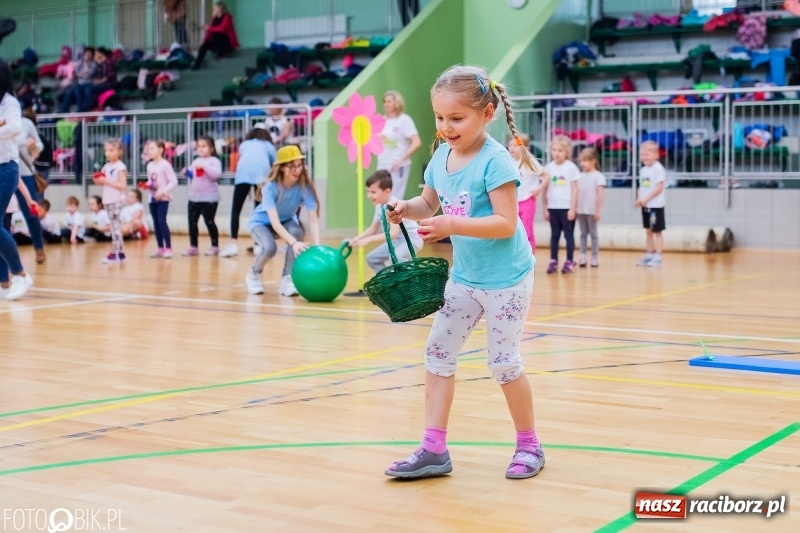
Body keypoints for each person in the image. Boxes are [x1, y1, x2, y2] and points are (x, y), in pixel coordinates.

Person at [384, 66, 544, 480]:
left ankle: (529, 444)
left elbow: (507, 223)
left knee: (504, 362)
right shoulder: (441, 156)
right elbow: (429, 203)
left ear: (487, 113)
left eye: (457, 119)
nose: (446, 127)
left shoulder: (495, 161)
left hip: (507, 280)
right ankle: (434, 448)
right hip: (466, 279)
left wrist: (453, 227)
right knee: (438, 354)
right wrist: (406, 207)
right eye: (440, 118)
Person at [245, 145, 320, 297]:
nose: (298, 170)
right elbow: (274, 223)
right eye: (292, 166)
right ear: (281, 168)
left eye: (299, 165)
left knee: (296, 231)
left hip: (286, 220)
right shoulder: (270, 188)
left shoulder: (304, 187)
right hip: (261, 223)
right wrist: (294, 243)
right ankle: (253, 274)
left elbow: (313, 220)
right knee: (269, 248)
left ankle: (288, 279)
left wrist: (318, 246)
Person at [0, 59, 34, 301]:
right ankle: (3, 283)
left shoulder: (10, 103)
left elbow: (13, 129)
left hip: (5, 169)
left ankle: (21, 274)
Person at [348, 169, 423, 273]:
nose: (369, 195)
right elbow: (372, 229)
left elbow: (393, 234)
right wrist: (357, 238)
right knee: (372, 259)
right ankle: (389, 282)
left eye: (373, 192)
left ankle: (412, 280)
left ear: (387, 191)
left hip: (412, 239)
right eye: (368, 191)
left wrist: (368, 240)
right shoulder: (379, 206)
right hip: (397, 241)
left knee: (396, 257)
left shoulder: (392, 206)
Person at [219, 125, 276, 258]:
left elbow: (243, 159)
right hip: (262, 177)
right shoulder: (268, 145)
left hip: (242, 176)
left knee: (236, 210)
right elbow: (275, 163)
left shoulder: (244, 144)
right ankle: (258, 245)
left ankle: (233, 244)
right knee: (259, 211)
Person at [541, 135, 579, 274]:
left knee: (569, 235)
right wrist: (545, 209)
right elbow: (544, 190)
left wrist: (573, 208)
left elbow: (575, 189)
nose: (557, 153)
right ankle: (553, 260)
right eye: (554, 150)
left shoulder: (571, 168)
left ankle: (569, 260)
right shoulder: (548, 168)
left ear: (567, 152)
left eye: (560, 150)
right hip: (553, 207)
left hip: (566, 208)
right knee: (554, 235)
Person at [14, 103, 46, 264]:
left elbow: (39, 145)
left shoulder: (26, 124)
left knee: (31, 212)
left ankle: (39, 247)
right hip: (4, 172)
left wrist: (33, 148)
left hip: (25, 173)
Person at [182, 135, 222, 256]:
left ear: (211, 148)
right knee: (192, 222)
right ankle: (193, 246)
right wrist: (186, 172)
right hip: (194, 197)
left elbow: (216, 175)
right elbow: (193, 175)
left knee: (209, 221)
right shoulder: (196, 161)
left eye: (204, 146)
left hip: (209, 198)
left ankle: (214, 246)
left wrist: (205, 167)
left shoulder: (214, 161)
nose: (200, 149)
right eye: (198, 146)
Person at [378, 90, 421, 200]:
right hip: (383, 163)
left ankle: (393, 217)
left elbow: (416, 142)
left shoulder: (404, 120)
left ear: (396, 103)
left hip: (397, 165)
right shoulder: (382, 120)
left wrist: (400, 160)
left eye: (389, 101)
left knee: (394, 196)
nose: (386, 104)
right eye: (384, 101)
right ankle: (380, 218)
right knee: (380, 195)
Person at [93, 138, 128, 264]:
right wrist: (98, 181)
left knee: (115, 227)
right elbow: (104, 183)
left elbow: (123, 185)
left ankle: (115, 252)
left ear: (119, 152)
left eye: (111, 150)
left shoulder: (120, 167)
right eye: (106, 150)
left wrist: (106, 181)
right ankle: (121, 253)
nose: (108, 153)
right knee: (113, 226)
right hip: (107, 199)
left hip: (116, 199)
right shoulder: (106, 166)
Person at [509, 133, 544, 254]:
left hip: (528, 200)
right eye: (510, 145)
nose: (512, 148)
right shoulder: (509, 162)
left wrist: (538, 189)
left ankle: (530, 258)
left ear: (525, 147)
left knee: (527, 230)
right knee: (513, 231)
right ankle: (517, 257)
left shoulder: (530, 161)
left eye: (516, 145)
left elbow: (546, 176)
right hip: (513, 201)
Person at [144, 140, 178, 258]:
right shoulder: (149, 165)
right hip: (152, 198)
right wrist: (147, 185)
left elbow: (173, 181)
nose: (149, 151)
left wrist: (163, 192)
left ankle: (168, 248)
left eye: (152, 148)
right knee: (156, 223)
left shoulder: (165, 165)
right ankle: (160, 248)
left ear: (161, 150)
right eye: (148, 149)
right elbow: (151, 180)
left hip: (163, 198)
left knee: (161, 221)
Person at [635, 140, 666, 267]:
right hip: (646, 206)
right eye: (642, 155)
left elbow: (659, 188)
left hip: (656, 205)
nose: (644, 157)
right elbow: (641, 186)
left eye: (647, 154)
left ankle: (658, 256)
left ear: (656, 155)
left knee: (657, 231)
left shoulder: (658, 169)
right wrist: (639, 198)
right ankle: (649, 254)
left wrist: (646, 199)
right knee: (648, 231)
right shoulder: (643, 170)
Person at [576, 147, 606, 268]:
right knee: (583, 233)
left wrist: (597, 210)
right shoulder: (579, 176)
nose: (582, 164)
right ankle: (582, 256)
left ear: (593, 161)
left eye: (585, 161)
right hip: (581, 210)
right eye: (581, 161)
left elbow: (600, 195)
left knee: (593, 234)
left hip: (592, 210)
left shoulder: (598, 177)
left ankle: (594, 257)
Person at [191, 1, 240, 69]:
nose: (213, 9)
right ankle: (197, 64)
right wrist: (205, 40)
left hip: (226, 43)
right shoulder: (214, 19)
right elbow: (210, 31)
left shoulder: (227, 17)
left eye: (215, 8)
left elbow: (222, 29)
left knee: (217, 35)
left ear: (220, 8)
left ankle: (221, 55)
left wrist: (209, 28)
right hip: (216, 43)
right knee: (204, 46)